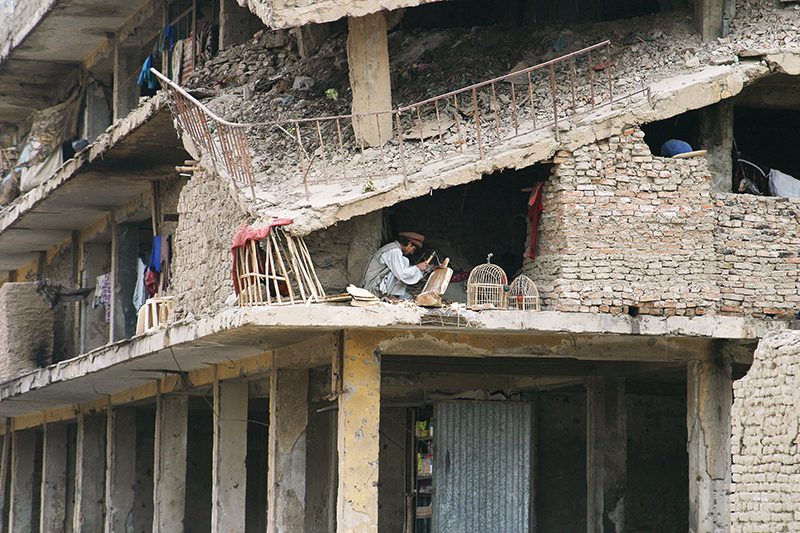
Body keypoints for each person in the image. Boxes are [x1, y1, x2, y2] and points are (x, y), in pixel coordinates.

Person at [362, 232, 430, 299]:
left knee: (404, 261)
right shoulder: (394, 251)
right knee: (401, 268)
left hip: (377, 283)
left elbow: (408, 271)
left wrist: (428, 268)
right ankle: (390, 295)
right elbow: (402, 275)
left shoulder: (395, 249)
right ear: (409, 244)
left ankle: (393, 294)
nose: (412, 253)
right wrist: (417, 267)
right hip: (373, 287)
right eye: (413, 249)